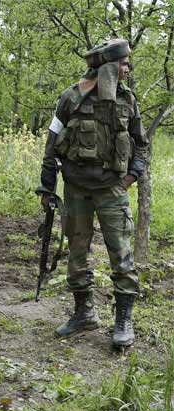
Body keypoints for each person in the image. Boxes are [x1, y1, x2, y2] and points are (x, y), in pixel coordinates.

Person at [37, 38, 149, 347]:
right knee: (77, 252)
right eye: (124, 63)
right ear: (108, 67)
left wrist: (130, 177)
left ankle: (123, 321)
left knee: (121, 254)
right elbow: (50, 148)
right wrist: (47, 188)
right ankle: (84, 313)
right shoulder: (70, 98)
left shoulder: (128, 100)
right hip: (76, 190)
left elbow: (141, 145)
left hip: (112, 189)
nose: (128, 68)